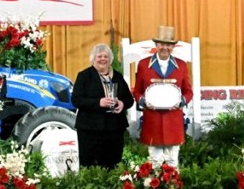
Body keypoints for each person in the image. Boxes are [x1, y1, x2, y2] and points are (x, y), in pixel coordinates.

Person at [132, 26, 193, 168]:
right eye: (162, 44)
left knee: (173, 162)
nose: (165, 48)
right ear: (156, 45)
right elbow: (137, 91)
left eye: (169, 45)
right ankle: (155, 183)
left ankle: (173, 183)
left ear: (173, 46)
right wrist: (144, 102)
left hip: (173, 121)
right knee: (154, 162)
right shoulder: (143, 64)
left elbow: (188, 92)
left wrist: (180, 102)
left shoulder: (181, 65)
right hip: (152, 120)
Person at [72, 44, 134, 169]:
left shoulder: (117, 76)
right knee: (90, 166)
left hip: (114, 129)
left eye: (105, 56)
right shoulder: (84, 76)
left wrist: (122, 104)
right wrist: (98, 102)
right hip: (90, 130)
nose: (102, 59)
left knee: (113, 165)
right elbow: (76, 100)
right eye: (99, 56)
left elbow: (129, 99)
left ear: (110, 59)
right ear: (93, 59)